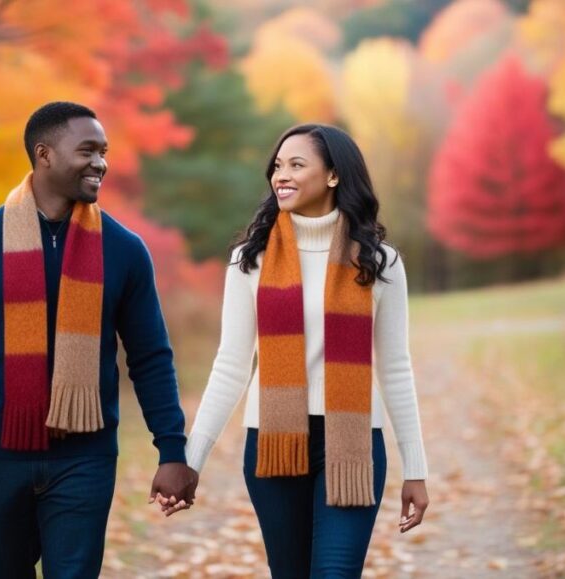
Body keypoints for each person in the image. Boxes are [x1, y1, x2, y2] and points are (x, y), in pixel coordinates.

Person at [0, 101, 198, 578]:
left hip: (86, 459)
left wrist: (172, 450)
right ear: (44, 154)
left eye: (104, 152)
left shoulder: (124, 250)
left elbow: (150, 357)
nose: (100, 163)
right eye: (87, 151)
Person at [183, 123, 430, 577]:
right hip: (273, 444)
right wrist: (191, 460)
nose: (282, 175)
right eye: (278, 166)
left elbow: (396, 368)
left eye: (297, 165)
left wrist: (416, 469)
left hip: (353, 444)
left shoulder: (379, 262)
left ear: (333, 175)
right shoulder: (250, 260)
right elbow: (231, 366)